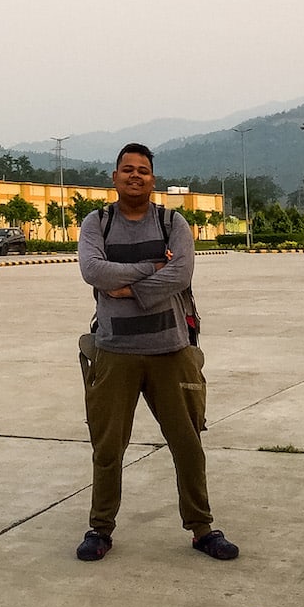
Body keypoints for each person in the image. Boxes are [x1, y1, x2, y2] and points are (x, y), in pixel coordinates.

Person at [75, 144, 238, 562]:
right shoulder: (97, 223)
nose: (135, 176)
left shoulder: (172, 221)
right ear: (114, 177)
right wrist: (153, 268)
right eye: (127, 170)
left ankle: (202, 528)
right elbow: (93, 270)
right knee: (108, 447)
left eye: (143, 171)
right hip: (114, 351)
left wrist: (128, 284)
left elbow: (181, 272)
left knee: (187, 443)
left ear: (153, 179)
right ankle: (100, 528)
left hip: (171, 350)